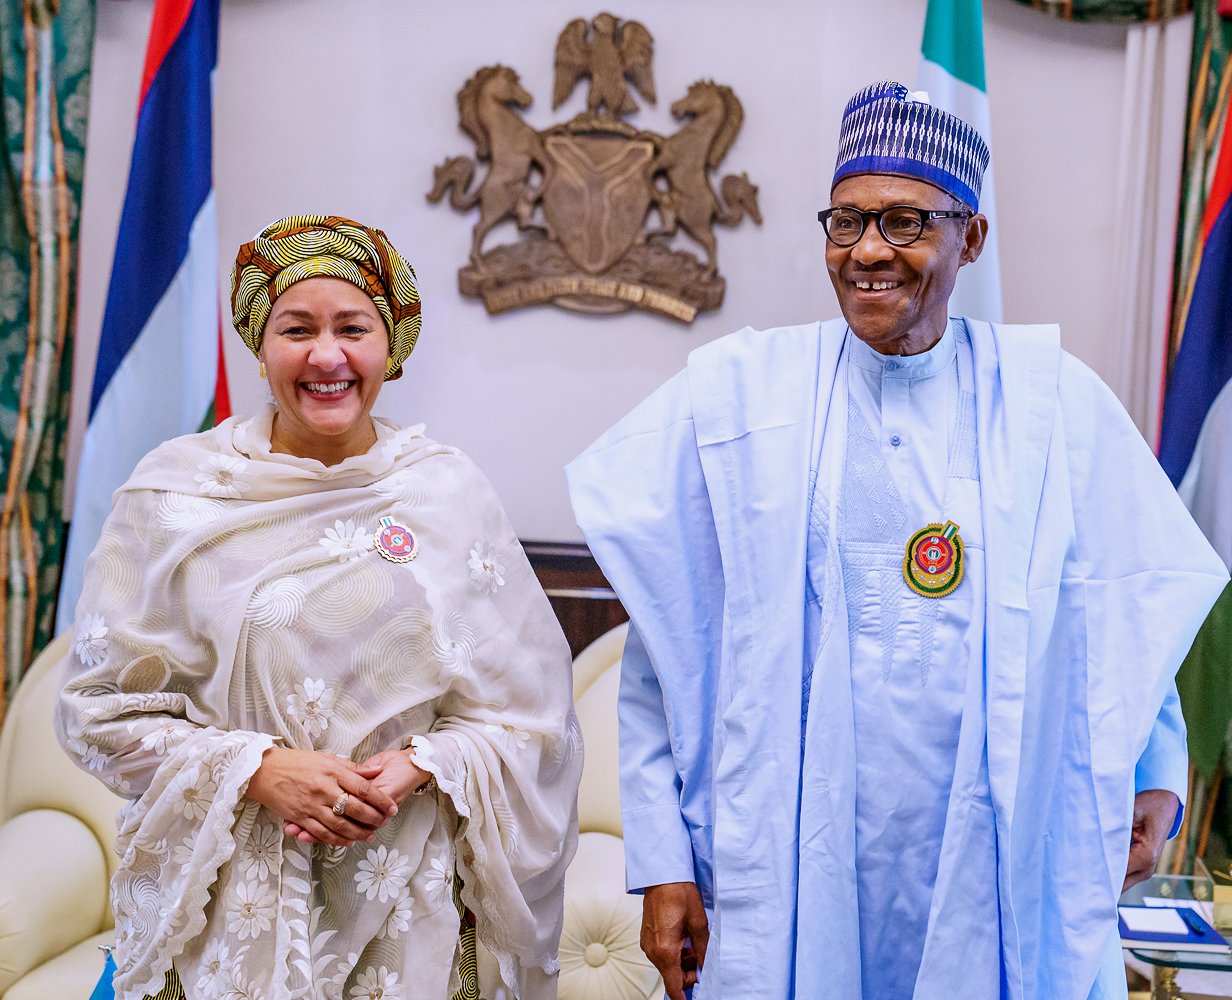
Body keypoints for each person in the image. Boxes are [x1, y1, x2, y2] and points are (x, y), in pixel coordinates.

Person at [566, 83, 1230, 999]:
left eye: (905, 221)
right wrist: (663, 860)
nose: (869, 250)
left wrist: (1155, 778)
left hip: (991, 863)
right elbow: (666, 641)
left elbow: (1121, 604)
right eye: (846, 221)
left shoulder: (1051, 403)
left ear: (971, 238)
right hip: (797, 865)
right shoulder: (742, 400)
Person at [57, 214, 582, 1000]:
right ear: (259, 345)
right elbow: (96, 710)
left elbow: (529, 717)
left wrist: (420, 765)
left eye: (353, 328)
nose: (327, 356)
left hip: (409, 907)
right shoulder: (174, 494)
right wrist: (258, 770)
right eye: (297, 329)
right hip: (223, 916)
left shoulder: (446, 493)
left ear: (390, 345)